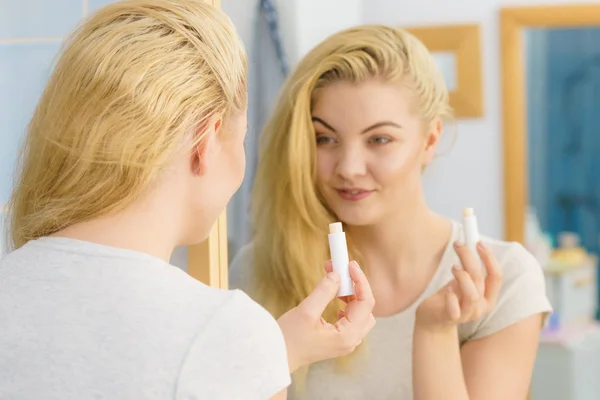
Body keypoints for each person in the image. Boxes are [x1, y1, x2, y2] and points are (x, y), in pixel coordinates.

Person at [0, 2, 376, 399]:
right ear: (205, 141)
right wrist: (263, 357)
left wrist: (265, 352)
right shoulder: (222, 329)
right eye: (242, 136)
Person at [230, 24, 553, 400]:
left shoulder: (507, 280)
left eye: (379, 139)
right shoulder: (258, 272)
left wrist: (435, 331)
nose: (349, 167)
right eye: (325, 138)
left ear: (431, 139)